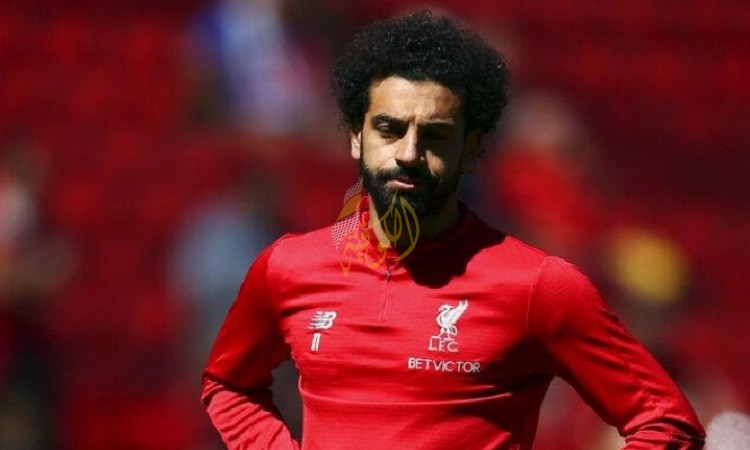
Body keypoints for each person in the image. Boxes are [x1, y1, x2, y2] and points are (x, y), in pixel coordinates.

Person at [201, 11, 705, 449]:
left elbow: (666, 421)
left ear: (471, 149)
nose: (408, 153)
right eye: (389, 128)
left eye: (436, 134)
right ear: (356, 136)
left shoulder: (539, 286)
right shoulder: (288, 268)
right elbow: (228, 385)